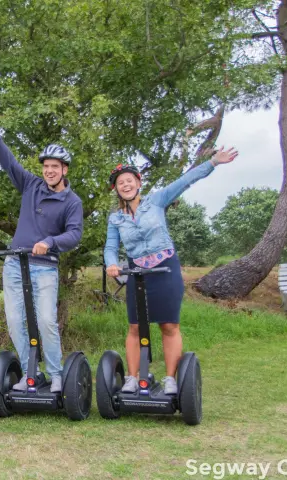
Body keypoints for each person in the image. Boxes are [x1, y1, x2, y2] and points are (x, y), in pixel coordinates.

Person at [103, 147, 239, 395]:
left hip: (165, 268)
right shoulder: (115, 219)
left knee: (168, 325)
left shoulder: (157, 200)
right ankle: (132, 378)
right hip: (136, 271)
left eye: (129, 180)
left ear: (138, 183)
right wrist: (111, 263)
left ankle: (171, 379)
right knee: (135, 326)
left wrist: (213, 163)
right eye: (120, 183)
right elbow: (111, 247)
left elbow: (186, 181)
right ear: (116, 189)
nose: (125, 185)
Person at [0, 102, 83, 393]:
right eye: (46, 166)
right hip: (15, 264)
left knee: (47, 321)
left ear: (64, 169)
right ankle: (30, 373)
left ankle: (56, 374)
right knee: (15, 322)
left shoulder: (72, 202)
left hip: (45, 267)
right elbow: (8, 161)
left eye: (55, 167)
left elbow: (74, 235)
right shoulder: (31, 185)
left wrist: (50, 242)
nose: (49, 171)